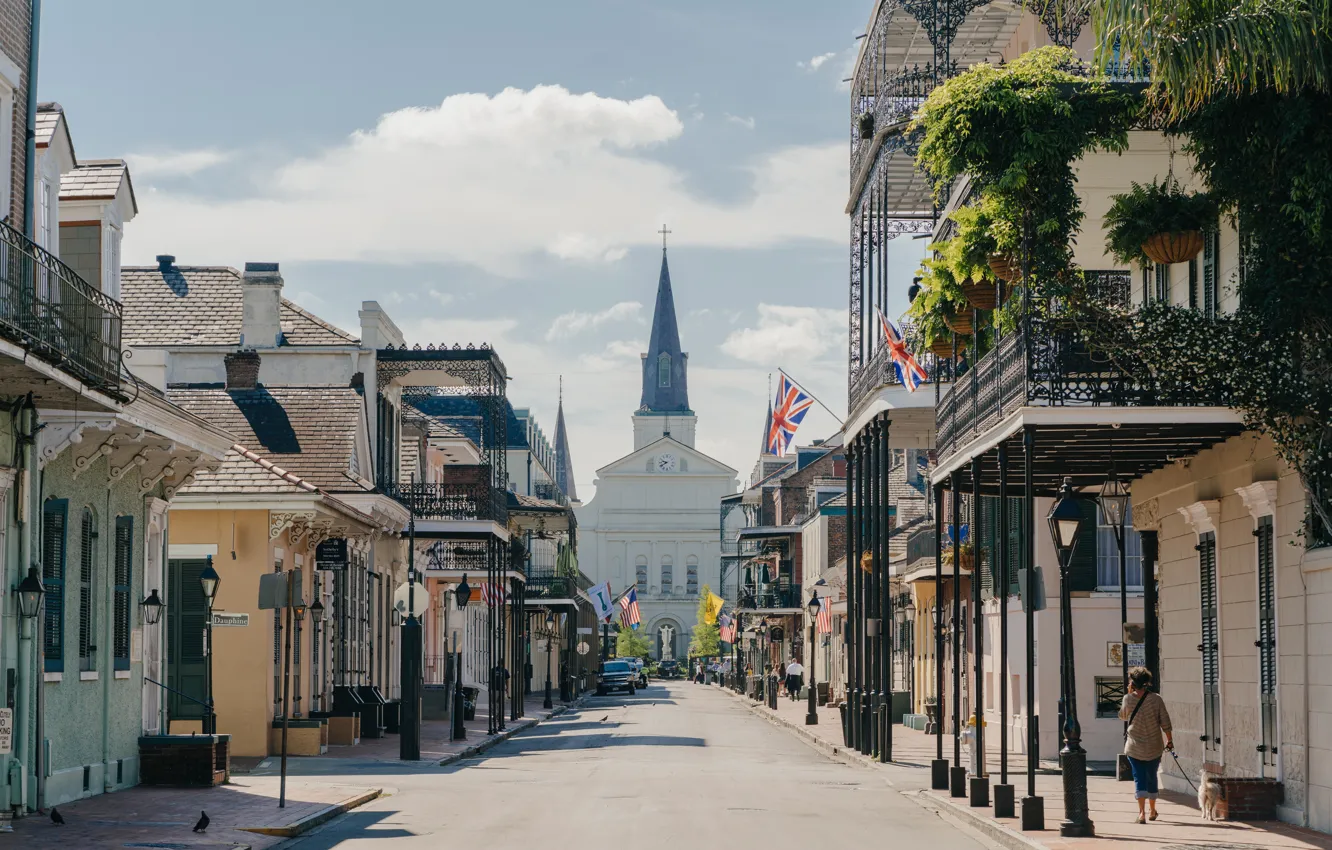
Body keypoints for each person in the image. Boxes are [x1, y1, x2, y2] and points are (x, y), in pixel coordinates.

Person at [1120, 666, 1174, 824]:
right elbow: (1165, 721)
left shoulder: (1128, 698)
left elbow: (1123, 716)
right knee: (1152, 777)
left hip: (1134, 746)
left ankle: (1141, 813)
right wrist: (1169, 740)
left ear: (1133, 682)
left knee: (1139, 778)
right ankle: (1152, 810)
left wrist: (1129, 695)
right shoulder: (1156, 699)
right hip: (1154, 746)